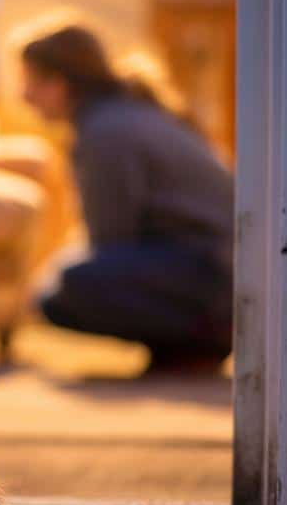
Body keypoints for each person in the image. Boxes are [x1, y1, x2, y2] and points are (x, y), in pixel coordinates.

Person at [21, 25, 234, 376]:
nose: (24, 96)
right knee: (64, 278)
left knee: (61, 291)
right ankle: (186, 346)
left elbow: (111, 239)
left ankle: (199, 340)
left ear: (59, 83)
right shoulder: (129, 112)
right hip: (219, 269)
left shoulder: (103, 131)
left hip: (211, 276)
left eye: (30, 81)